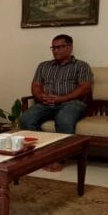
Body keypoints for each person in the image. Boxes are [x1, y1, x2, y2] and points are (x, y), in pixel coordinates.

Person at [20, 34, 94, 171]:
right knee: (26, 118)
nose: (55, 50)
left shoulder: (81, 66)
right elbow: (36, 85)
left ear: (70, 47)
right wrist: (40, 96)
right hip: (46, 103)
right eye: (53, 48)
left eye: (59, 47)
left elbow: (85, 88)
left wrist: (62, 99)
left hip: (72, 103)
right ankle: (41, 155)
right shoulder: (44, 66)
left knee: (64, 119)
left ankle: (59, 159)